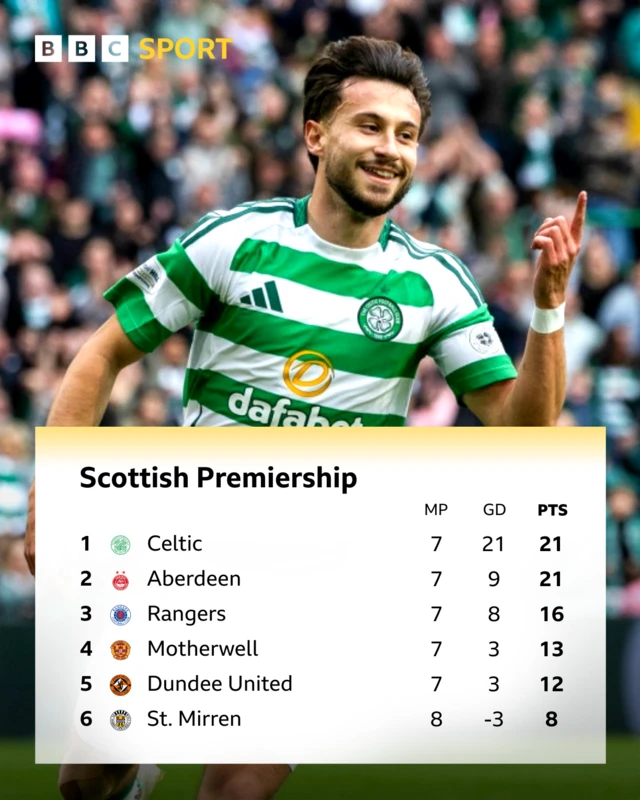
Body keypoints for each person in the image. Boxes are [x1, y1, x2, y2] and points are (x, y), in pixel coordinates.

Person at [24, 35, 587, 800]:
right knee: (86, 785)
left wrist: (549, 307)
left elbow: (523, 434)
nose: (390, 149)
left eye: (407, 134)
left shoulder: (434, 285)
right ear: (316, 135)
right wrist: (50, 500)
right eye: (370, 126)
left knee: (236, 793)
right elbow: (97, 357)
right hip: (186, 554)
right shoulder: (236, 240)